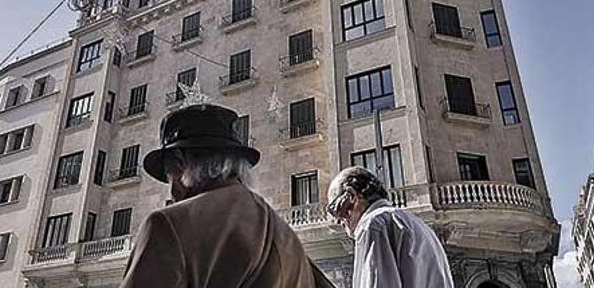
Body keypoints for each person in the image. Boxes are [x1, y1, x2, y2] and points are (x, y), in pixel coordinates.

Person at [121, 104, 334, 288]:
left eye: (168, 177)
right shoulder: (287, 238)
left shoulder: (167, 226)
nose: (171, 192)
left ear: (179, 163)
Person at [326, 166, 454, 288]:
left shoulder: (373, 224)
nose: (337, 220)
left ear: (351, 196)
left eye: (334, 209)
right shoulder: (420, 226)